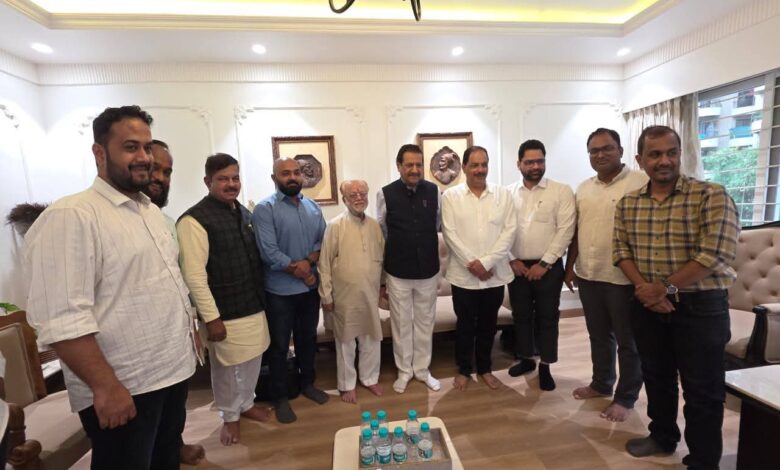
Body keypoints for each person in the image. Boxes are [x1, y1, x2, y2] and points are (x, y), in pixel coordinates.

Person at [25, 105, 197, 470]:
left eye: (147, 147)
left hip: (170, 372)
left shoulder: (149, 210)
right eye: (130, 147)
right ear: (99, 152)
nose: (144, 157)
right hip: (125, 385)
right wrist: (105, 386)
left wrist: (188, 332)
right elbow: (62, 317)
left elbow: (159, 285)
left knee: (165, 461)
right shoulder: (72, 215)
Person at [614, 125, 739, 469]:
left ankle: (703, 460)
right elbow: (621, 251)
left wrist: (664, 288)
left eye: (671, 152)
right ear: (640, 159)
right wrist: (647, 291)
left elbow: (715, 253)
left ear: (680, 154)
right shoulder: (628, 203)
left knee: (702, 390)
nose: (664, 161)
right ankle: (662, 437)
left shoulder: (711, 195)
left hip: (701, 308)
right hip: (647, 306)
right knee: (657, 377)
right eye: (654, 154)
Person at [177, 153, 271, 446]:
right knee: (227, 367)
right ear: (208, 181)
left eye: (235, 178)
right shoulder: (194, 220)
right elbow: (194, 276)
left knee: (253, 359)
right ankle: (230, 416)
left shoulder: (242, 212)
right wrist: (211, 318)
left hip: (252, 303)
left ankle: (246, 403)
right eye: (223, 179)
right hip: (224, 312)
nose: (231, 184)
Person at [564, 128, 648, 422]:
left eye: (607, 148)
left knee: (628, 341)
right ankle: (601, 383)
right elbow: (577, 231)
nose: (600, 155)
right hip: (589, 274)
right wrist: (570, 267)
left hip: (624, 279)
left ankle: (626, 397)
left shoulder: (641, 182)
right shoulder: (584, 188)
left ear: (620, 151)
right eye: (594, 151)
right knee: (598, 336)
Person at [140, 139, 205, 464]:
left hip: (174, 336)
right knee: (140, 432)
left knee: (174, 408)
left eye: (167, 172)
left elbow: (179, 276)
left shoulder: (166, 221)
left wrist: (193, 319)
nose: (160, 177)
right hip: (139, 349)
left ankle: (174, 446)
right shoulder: (88, 216)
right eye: (154, 169)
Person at [252, 157, 329, 424]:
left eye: (296, 172)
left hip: (308, 290)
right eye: (286, 173)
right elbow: (268, 252)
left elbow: (323, 241)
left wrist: (307, 264)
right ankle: (280, 397)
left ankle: (307, 384)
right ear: (275, 178)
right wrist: (302, 271)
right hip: (279, 292)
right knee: (279, 346)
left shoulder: (313, 207)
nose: (293, 177)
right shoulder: (264, 209)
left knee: (308, 340)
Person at [441, 146, 516, 391]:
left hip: (493, 276)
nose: (480, 169)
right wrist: (474, 264)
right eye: (474, 165)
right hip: (463, 276)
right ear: (464, 167)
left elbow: (509, 231)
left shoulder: (503, 195)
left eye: (484, 164)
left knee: (488, 325)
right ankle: (464, 369)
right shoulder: (450, 196)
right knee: (465, 325)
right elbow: (449, 233)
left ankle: (485, 368)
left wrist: (486, 263)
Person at [507, 139, 575, 391]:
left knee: (548, 317)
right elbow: (501, 230)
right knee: (521, 316)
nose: (535, 166)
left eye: (540, 161)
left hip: (549, 267)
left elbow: (566, 230)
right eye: (529, 162)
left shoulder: (561, 191)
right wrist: (511, 259)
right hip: (516, 267)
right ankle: (526, 359)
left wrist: (544, 264)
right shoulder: (507, 193)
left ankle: (546, 365)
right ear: (519, 164)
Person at [377, 144, 442, 394]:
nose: (415, 169)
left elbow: (436, 224)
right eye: (409, 165)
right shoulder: (385, 194)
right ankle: (404, 371)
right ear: (399, 166)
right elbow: (383, 231)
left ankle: (422, 370)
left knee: (425, 323)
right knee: (401, 324)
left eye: (418, 164)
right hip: (398, 271)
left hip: (428, 270)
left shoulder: (434, 191)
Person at [318, 180, 385, 404]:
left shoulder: (375, 225)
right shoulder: (335, 225)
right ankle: (347, 385)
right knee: (346, 342)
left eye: (362, 193)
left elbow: (382, 258)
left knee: (371, 338)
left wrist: (382, 285)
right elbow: (324, 263)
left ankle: (369, 378)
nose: (358, 197)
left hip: (370, 293)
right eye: (353, 194)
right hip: (344, 296)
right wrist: (326, 295)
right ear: (344, 199)